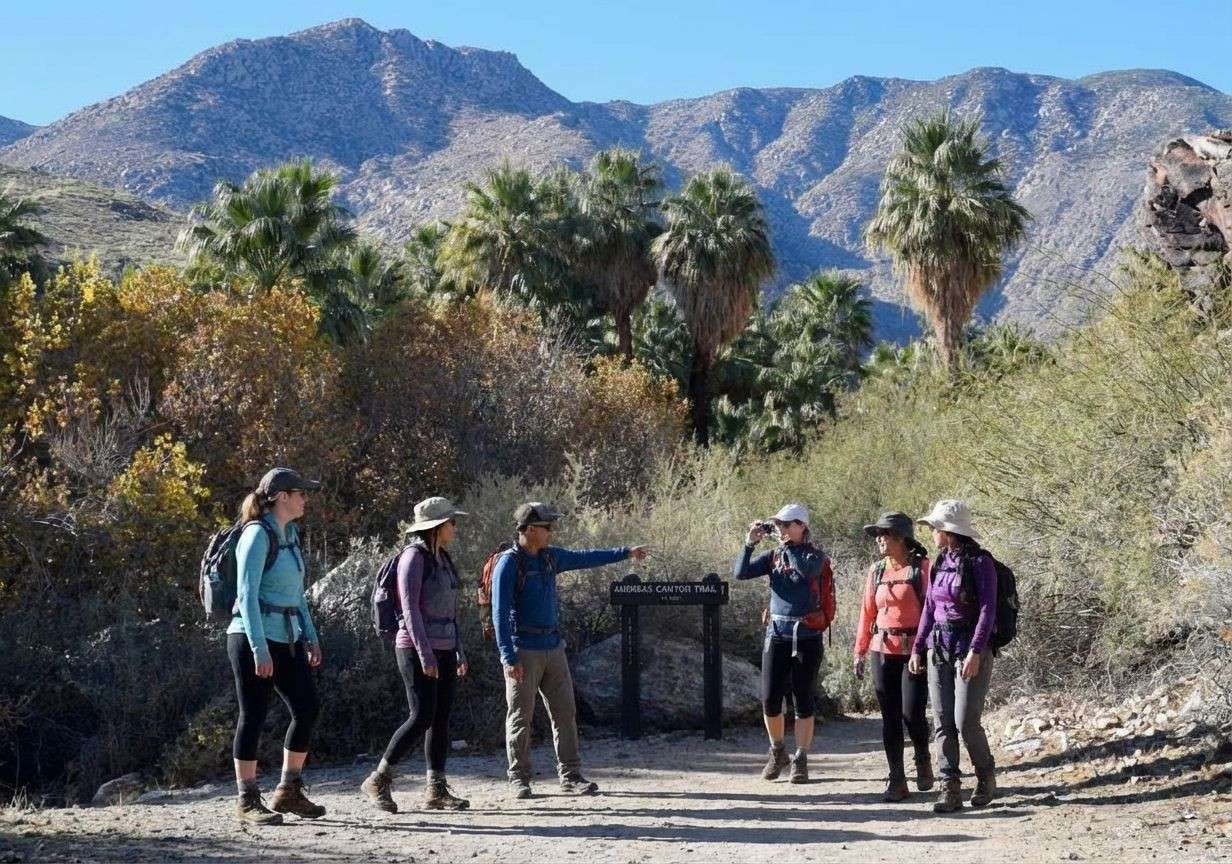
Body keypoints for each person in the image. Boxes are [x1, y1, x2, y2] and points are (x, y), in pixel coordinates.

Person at [494, 502, 650, 799]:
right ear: (529, 529)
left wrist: (626, 552)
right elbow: (499, 614)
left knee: (565, 713)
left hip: (553, 647)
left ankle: (571, 776)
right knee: (520, 717)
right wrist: (508, 655)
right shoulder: (509, 564)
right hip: (522, 649)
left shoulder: (551, 558)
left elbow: (585, 557)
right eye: (547, 527)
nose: (551, 532)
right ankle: (519, 778)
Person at [227, 468, 325, 826]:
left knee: (307, 707)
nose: (305, 499)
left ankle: (288, 790)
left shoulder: (291, 534)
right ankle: (247, 799)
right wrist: (258, 648)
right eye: (301, 493)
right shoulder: (255, 535)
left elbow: (297, 596)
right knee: (253, 714)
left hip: (287, 635)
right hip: (251, 636)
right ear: (282, 496)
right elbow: (246, 596)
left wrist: (310, 636)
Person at [362, 497, 472, 814]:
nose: (455, 526)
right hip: (414, 648)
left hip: (445, 648)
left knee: (440, 719)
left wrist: (458, 650)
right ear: (436, 526)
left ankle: (436, 789)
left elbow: (452, 612)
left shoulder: (444, 559)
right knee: (421, 715)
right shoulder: (413, 558)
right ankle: (379, 779)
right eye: (451, 521)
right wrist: (425, 654)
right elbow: (409, 611)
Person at [733, 503, 835, 784]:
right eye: (778, 524)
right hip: (777, 634)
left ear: (802, 525)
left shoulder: (816, 557)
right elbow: (740, 572)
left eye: (786, 524)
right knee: (769, 698)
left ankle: (801, 757)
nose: (780, 529)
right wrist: (749, 544)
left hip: (807, 636)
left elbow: (804, 571)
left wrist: (789, 545)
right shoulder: (774, 556)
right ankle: (778, 750)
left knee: (803, 698)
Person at [909, 499, 998, 813]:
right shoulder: (940, 561)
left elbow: (988, 609)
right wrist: (919, 647)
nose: (931, 532)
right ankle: (950, 789)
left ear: (947, 530)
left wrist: (976, 650)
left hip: (969, 649)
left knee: (965, 721)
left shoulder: (980, 562)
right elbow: (930, 610)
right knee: (943, 722)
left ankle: (986, 776)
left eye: (934, 527)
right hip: (939, 648)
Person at [854, 512, 935, 801]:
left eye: (884, 534)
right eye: (877, 534)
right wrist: (860, 651)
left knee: (912, 713)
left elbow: (931, 612)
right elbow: (867, 613)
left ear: (901, 538)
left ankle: (923, 757)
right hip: (882, 649)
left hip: (914, 650)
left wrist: (921, 649)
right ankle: (897, 779)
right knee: (889, 717)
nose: (879, 540)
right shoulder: (876, 571)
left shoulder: (922, 568)